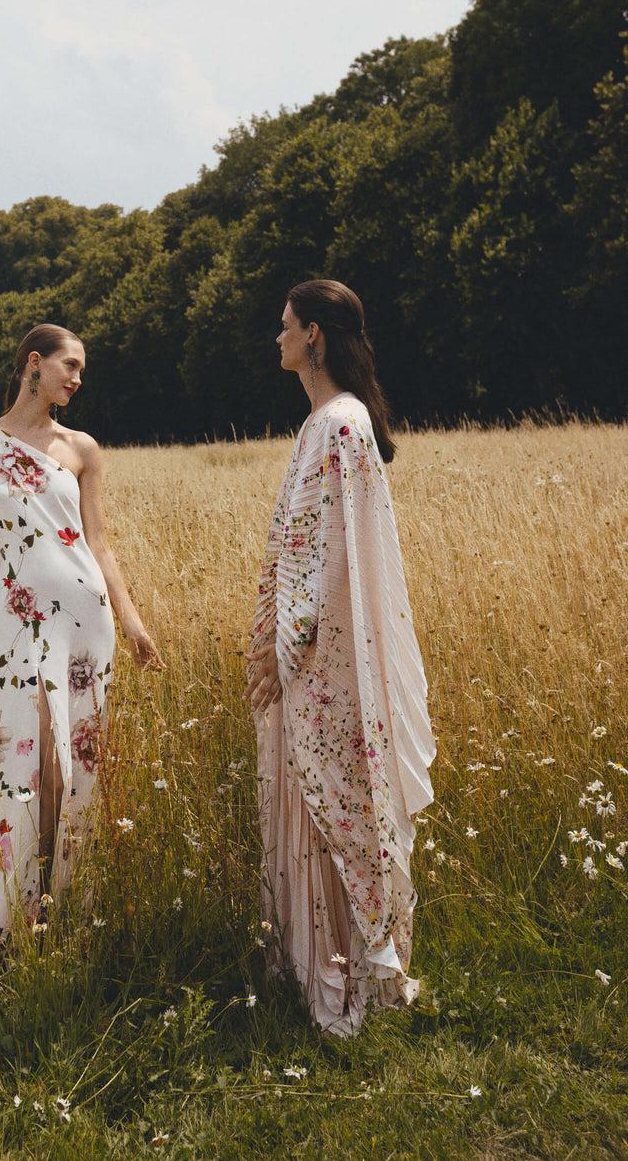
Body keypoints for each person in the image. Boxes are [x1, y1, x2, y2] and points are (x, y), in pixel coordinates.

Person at [0, 323, 162, 975]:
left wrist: (134, 620)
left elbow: (100, 543)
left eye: (82, 370)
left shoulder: (81, 447)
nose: (78, 379)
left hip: (87, 625)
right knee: (27, 767)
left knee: (74, 765)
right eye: (71, 365)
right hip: (17, 627)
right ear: (36, 363)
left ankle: (62, 904)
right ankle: (19, 902)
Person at [244, 280, 435, 1036]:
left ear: (314, 334)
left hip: (327, 660)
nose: (278, 338)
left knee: (337, 798)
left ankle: (354, 967)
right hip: (306, 656)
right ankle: (312, 960)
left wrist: (288, 644)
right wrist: (273, 640)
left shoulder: (343, 425)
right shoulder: (319, 423)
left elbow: (335, 557)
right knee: (312, 797)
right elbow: (299, 546)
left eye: (285, 326)